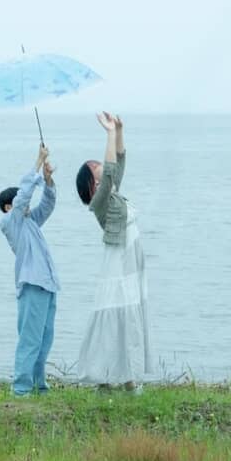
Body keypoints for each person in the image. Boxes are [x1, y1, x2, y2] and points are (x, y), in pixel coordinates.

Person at [75, 113, 152, 390]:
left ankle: (126, 376)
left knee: (129, 315)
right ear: (90, 184)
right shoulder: (99, 201)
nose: (98, 164)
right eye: (92, 165)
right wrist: (108, 134)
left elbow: (118, 164)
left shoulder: (112, 194)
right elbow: (109, 171)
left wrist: (119, 131)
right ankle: (108, 376)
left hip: (130, 258)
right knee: (118, 315)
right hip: (118, 262)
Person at [0, 142, 60, 396]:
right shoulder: (10, 223)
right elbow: (24, 194)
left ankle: (38, 387)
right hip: (32, 285)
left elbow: (47, 205)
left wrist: (47, 180)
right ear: (8, 207)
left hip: (47, 284)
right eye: (16, 202)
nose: (23, 203)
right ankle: (21, 390)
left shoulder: (30, 221)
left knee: (44, 341)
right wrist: (37, 161)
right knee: (29, 340)